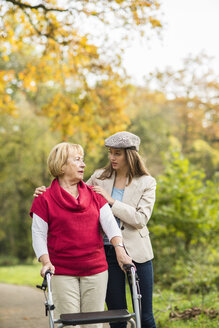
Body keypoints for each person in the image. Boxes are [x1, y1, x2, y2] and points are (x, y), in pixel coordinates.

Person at [34, 132, 156, 328]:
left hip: (136, 252)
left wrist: (111, 201)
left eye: (117, 154)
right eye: (110, 153)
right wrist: (46, 192)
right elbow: (71, 189)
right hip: (105, 252)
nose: (112, 158)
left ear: (130, 155)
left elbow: (141, 219)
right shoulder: (100, 177)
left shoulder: (146, 182)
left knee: (145, 315)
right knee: (116, 314)